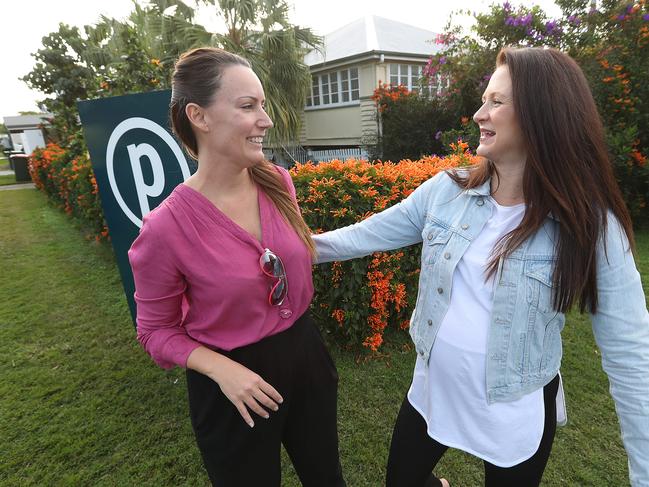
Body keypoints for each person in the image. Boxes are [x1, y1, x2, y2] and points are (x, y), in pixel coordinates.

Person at [313, 47, 649, 487]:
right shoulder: (445, 191)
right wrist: (305, 249)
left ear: (542, 115)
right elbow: (367, 233)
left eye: (496, 101)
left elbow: (631, 355)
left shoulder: (591, 224)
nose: (477, 114)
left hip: (513, 414)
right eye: (484, 99)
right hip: (433, 390)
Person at [128, 47, 346, 487]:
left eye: (261, 105)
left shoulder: (278, 181)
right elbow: (155, 332)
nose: (265, 119)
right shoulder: (165, 228)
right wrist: (221, 369)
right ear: (199, 116)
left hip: (307, 356)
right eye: (248, 106)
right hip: (231, 387)